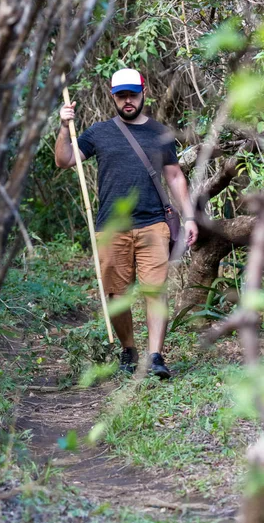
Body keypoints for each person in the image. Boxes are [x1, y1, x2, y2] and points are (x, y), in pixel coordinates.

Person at [55, 68, 198, 378]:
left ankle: (156, 357)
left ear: (143, 93)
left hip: (153, 224)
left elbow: (174, 175)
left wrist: (189, 217)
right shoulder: (97, 133)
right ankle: (129, 350)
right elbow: (65, 161)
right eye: (122, 95)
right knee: (116, 295)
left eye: (133, 94)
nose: (128, 100)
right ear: (113, 97)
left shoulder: (160, 133)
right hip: (111, 226)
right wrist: (65, 127)